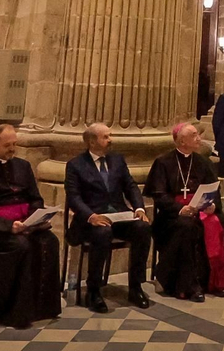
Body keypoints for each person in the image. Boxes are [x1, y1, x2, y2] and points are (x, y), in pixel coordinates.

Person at [0, 124, 61, 328]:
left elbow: (35, 198)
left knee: (50, 241)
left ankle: (41, 308)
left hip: (26, 224)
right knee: (21, 246)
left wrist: (37, 217)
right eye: (7, 145)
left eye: (14, 144)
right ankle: (10, 310)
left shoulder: (24, 166)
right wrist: (10, 226)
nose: (12, 149)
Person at [63, 123, 152, 313]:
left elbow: (131, 186)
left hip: (118, 215)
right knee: (103, 232)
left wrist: (139, 208)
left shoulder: (117, 160)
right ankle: (93, 290)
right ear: (92, 141)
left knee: (143, 228)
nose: (110, 140)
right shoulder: (76, 165)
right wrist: (91, 216)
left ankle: (135, 286)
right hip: (91, 219)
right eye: (106, 137)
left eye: (110, 136)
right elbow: (74, 197)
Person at [146, 123, 224, 301]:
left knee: (223, 222)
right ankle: (188, 285)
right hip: (172, 216)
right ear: (182, 141)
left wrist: (213, 205)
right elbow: (159, 195)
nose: (199, 138)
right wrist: (180, 208)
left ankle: (214, 281)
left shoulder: (203, 162)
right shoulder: (163, 162)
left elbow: (213, 189)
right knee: (187, 226)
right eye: (194, 135)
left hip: (200, 210)